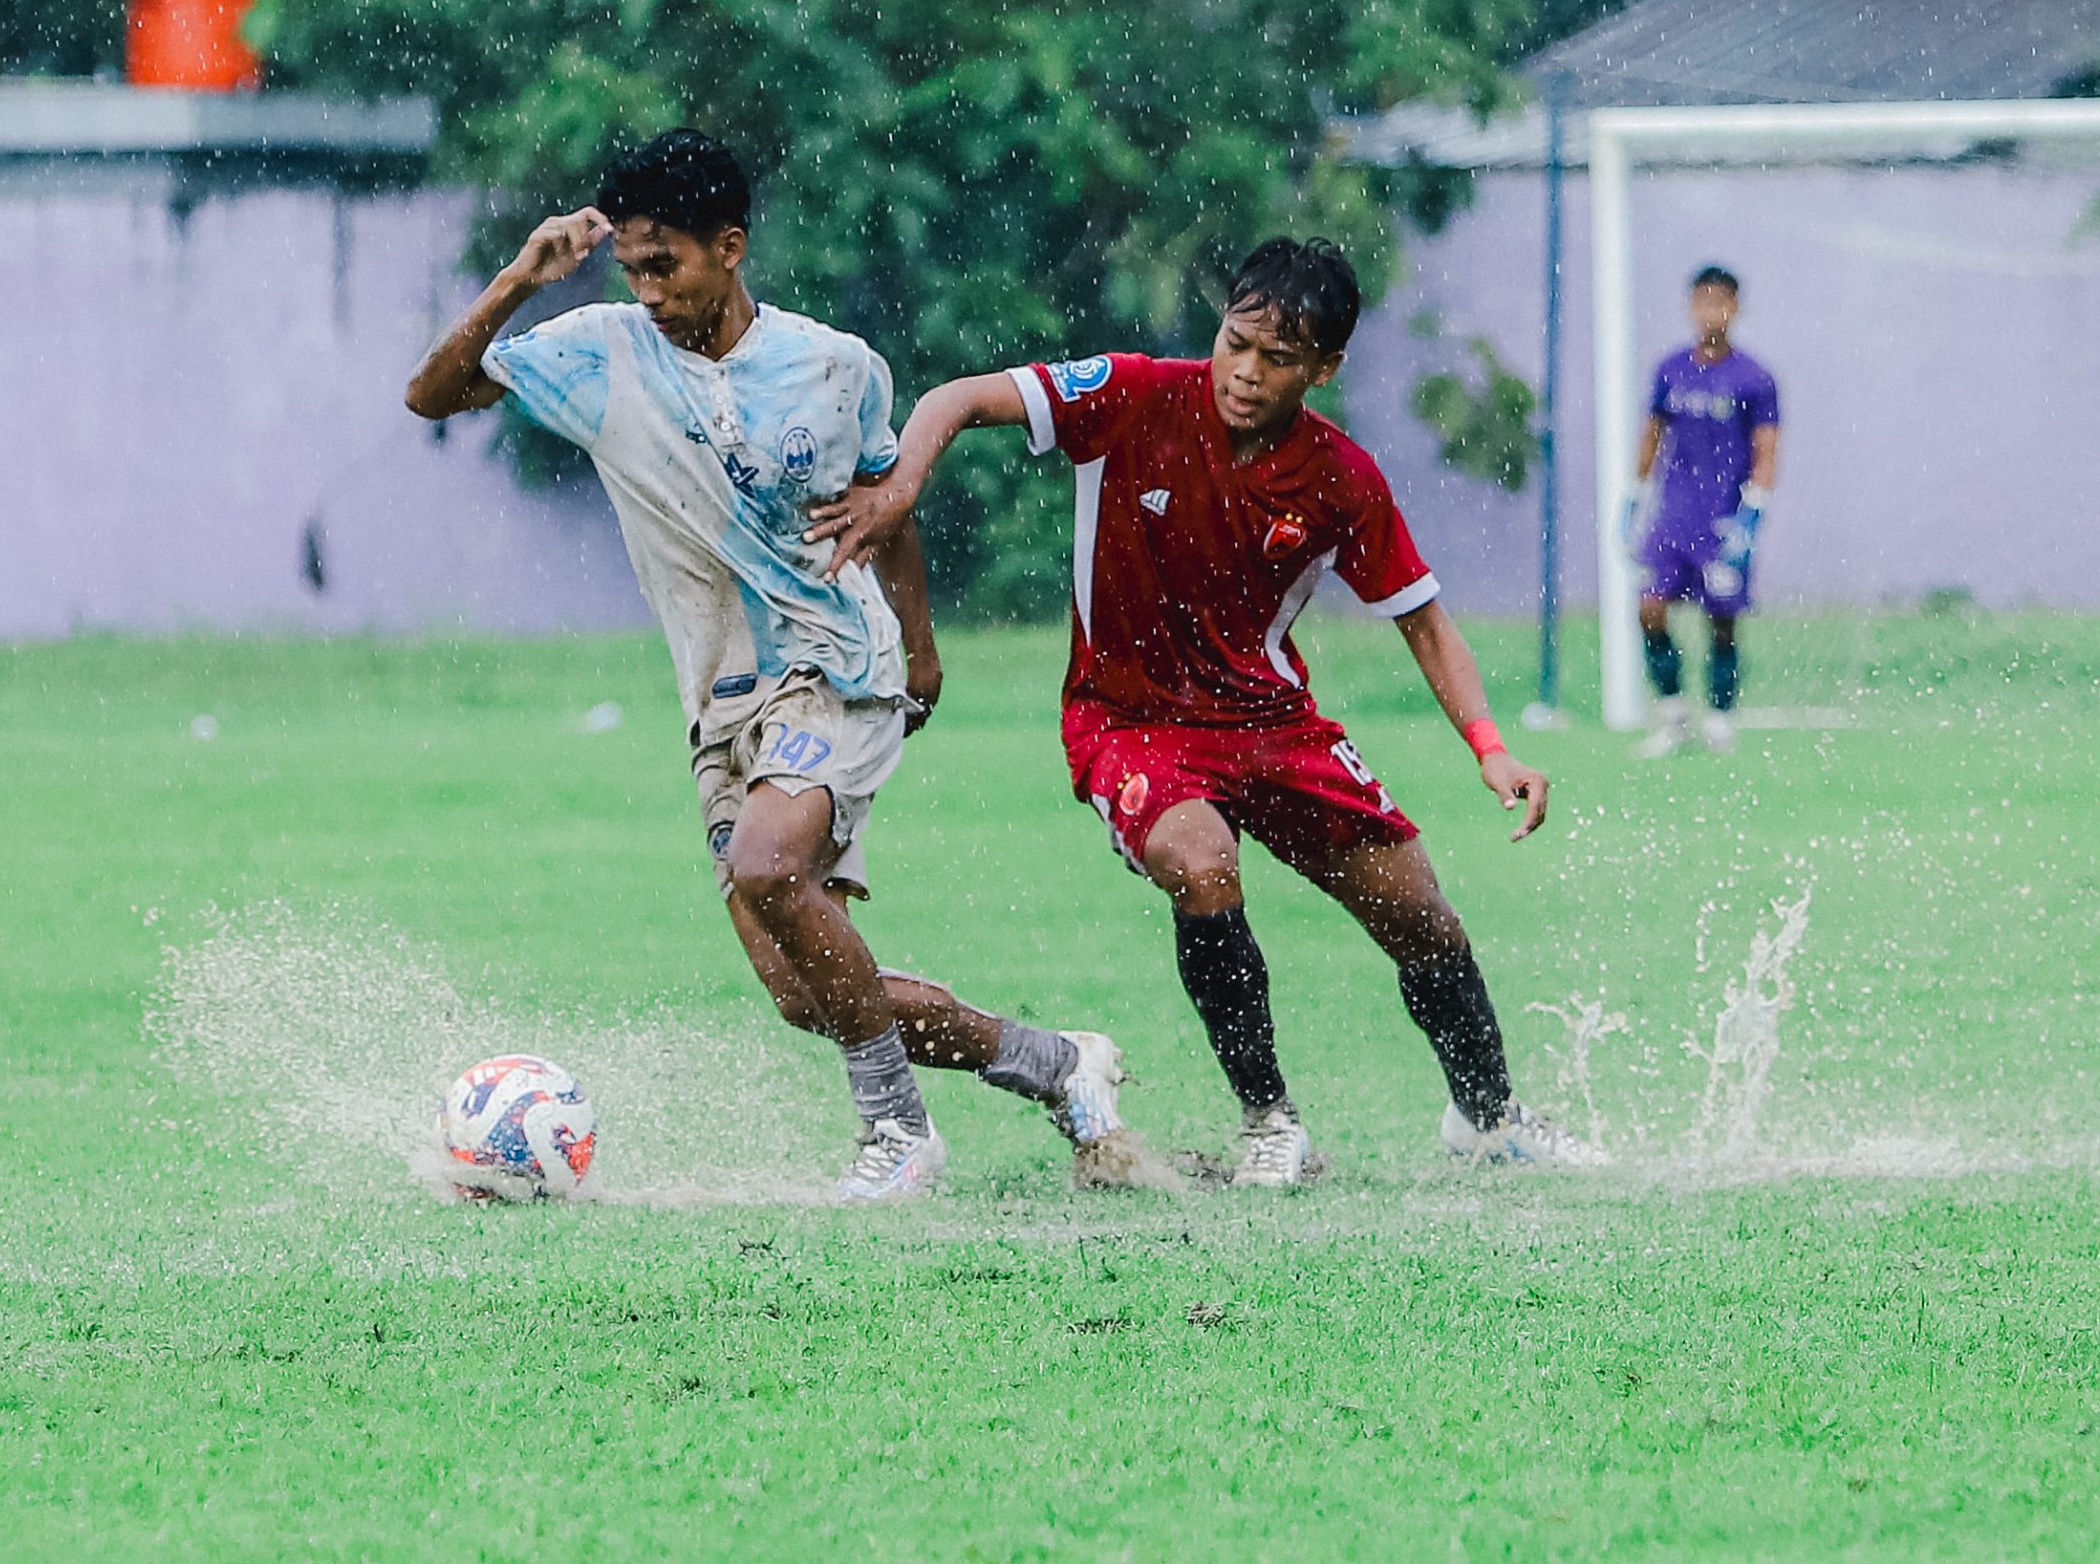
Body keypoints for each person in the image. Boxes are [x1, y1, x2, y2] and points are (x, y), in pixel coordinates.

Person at [403, 129, 1134, 1201]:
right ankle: (1055, 1064)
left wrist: (921, 647)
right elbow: (432, 395)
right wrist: (522, 276)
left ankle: (897, 1131)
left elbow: (886, 507)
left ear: (731, 247)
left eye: (667, 266)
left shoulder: (834, 366)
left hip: (836, 666)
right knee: (807, 992)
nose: (649, 292)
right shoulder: (601, 350)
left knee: (764, 864)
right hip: (721, 705)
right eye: (633, 269)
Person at [809, 237, 1604, 1182]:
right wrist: (902, 486)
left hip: (1272, 723)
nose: (1246, 372)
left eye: (1278, 358)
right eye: (1236, 343)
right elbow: (957, 398)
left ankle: (1489, 1116)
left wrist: (1490, 747)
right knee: (1203, 862)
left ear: (1324, 368)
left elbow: (1424, 621)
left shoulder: (1340, 478)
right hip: (1129, 719)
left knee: (1419, 912)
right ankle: (1271, 1120)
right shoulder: (1132, 395)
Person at [1625, 265, 1782, 757]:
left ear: (1735, 308)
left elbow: (1766, 450)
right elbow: (1652, 434)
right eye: (1703, 302)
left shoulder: (1754, 379)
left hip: (1722, 519)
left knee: (1721, 619)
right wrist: (1633, 498)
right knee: (1650, 608)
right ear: (1690, 307)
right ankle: (1673, 718)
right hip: (1674, 516)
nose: (1711, 313)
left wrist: (1752, 514)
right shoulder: (1671, 370)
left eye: (1721, 303)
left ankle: (1719, 720)